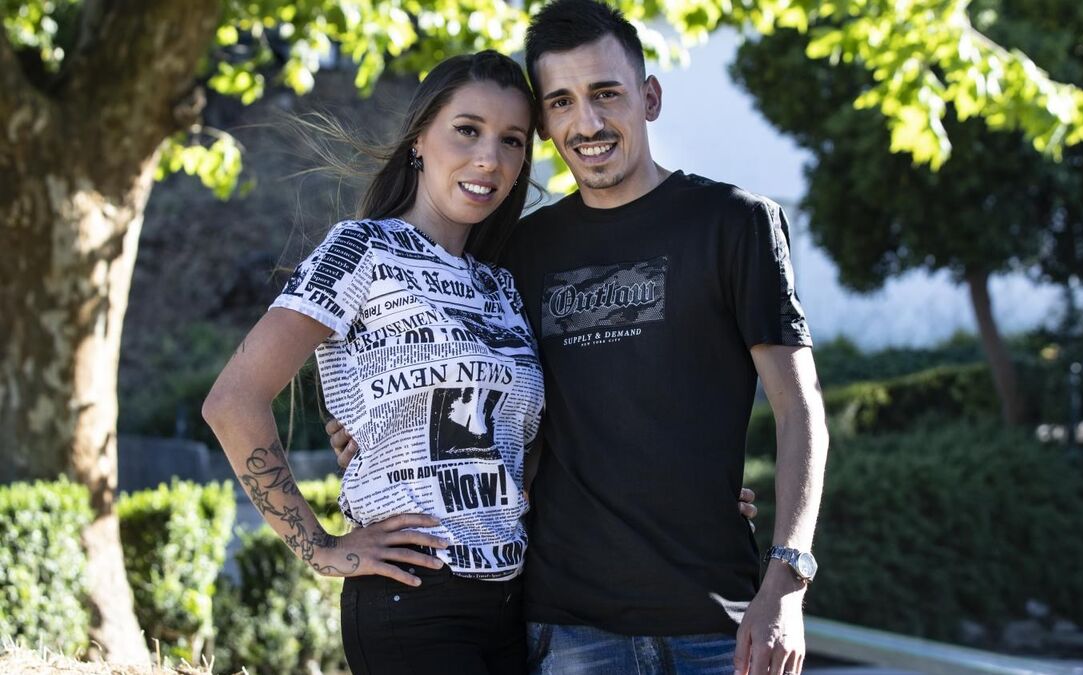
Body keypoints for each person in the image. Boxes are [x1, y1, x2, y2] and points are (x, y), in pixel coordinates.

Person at [331, 1, 830, 674]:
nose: (587, 123)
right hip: (567, 631)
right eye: (561, 102)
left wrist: (787, 582)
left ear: (649, 98)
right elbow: (459, 380)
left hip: (717, 624)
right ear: (544, 123)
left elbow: (800, 410)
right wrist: (375, 429)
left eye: (606, 94)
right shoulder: (519, 251)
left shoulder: (735, 224)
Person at [203, 51, 543, 674]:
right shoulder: (362, 250)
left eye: (512, 140)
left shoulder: (502, 285)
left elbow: (521, 443)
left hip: (515, 601)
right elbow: (233, 400)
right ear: (419, 140)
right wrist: (321, 548)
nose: (489, 158)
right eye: (467, 130)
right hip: (413, 596)